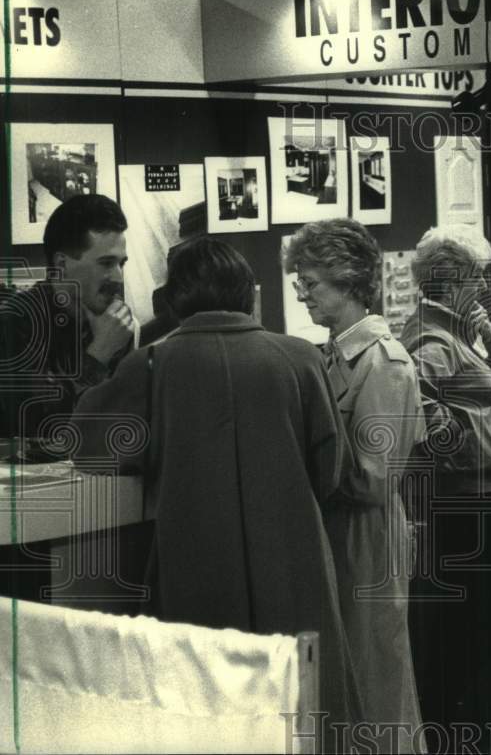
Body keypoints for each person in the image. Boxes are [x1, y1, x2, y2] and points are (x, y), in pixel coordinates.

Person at [70, 237, 362, 731]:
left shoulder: (152, 365)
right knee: (301, 711)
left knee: (207, 713)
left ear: (175, 296)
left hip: (196, 561)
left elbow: (88, 446)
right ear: (245, 291)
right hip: (295, 558)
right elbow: (332, 472)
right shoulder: (300, 359)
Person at [283, 219, 424, 752]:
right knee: (344, 674)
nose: (302, 295)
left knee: (376, 675)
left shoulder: (384, 364)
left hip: (366, 534)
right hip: (338, 531)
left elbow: (373, 476)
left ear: (346, 279)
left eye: (311, 283)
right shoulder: (333, 355)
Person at [399, 225, 491, 729]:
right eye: (479, 277)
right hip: (460, 504)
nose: (485, 288)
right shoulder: (430, 339)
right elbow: (423, 419)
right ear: (451, 282)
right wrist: (470, 443)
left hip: (476, 497)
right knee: (461, 632)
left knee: (474, 629)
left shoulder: (456, 334)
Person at [0, 194, 135, 442]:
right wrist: (98, 355)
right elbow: (36, 428)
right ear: (61, 264)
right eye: (106, 263)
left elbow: (121, 419)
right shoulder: (17, 320)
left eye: (121, 264)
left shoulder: (114, 323)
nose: (118, 278)